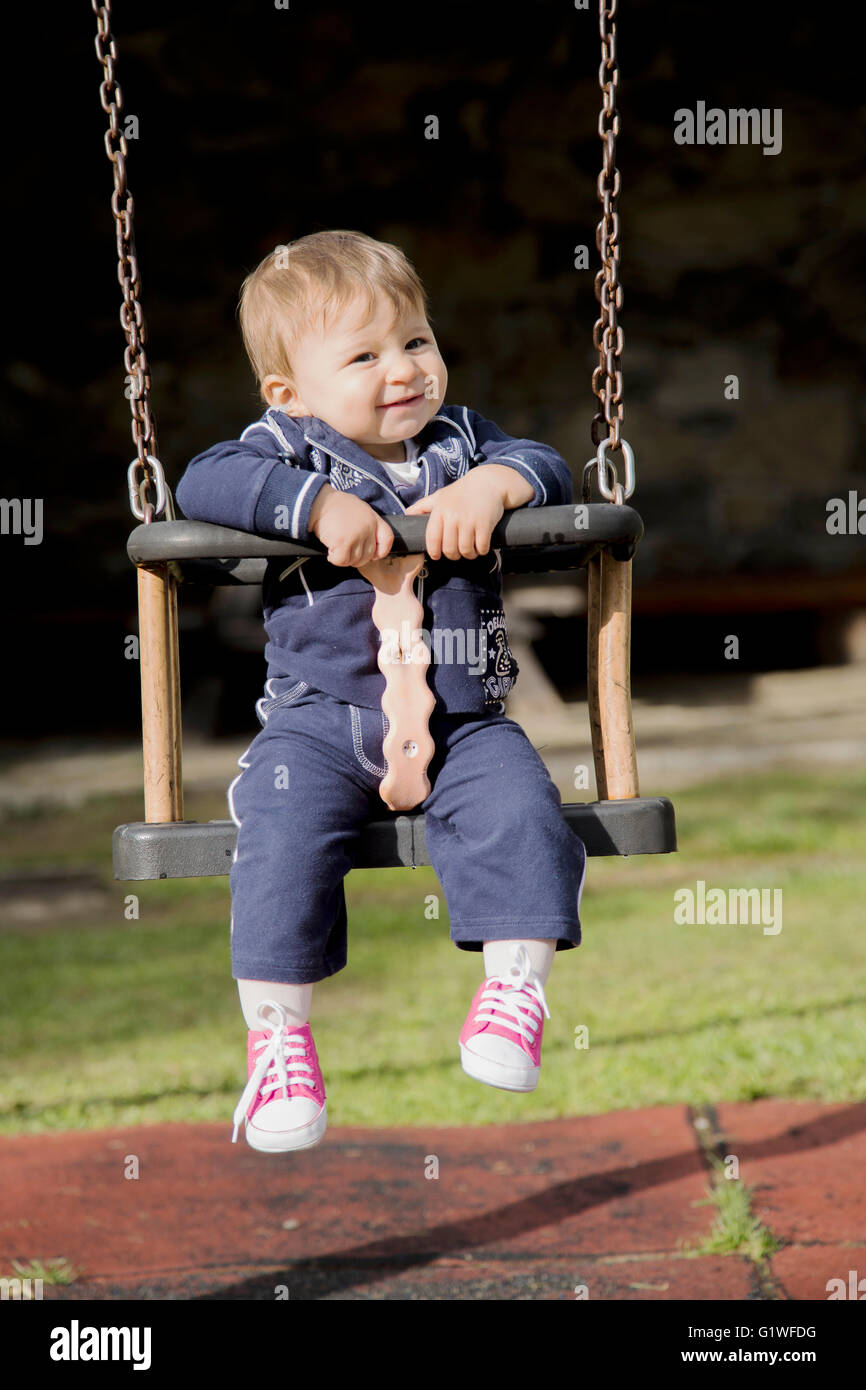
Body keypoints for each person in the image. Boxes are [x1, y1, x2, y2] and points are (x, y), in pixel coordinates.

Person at [175, 229, 587, 1153]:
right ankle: (279, 1040)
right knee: (277, 842)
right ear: (291, 392)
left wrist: (497, 483)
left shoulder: (464, 441)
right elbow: (205, 480)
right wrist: (318, 508)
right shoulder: (282, 451)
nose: (401, 369)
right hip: (320, 725)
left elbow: (550, 462)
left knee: (525, 810)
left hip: (468, 722)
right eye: (363, 355)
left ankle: (512, 990)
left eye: (415, 341)